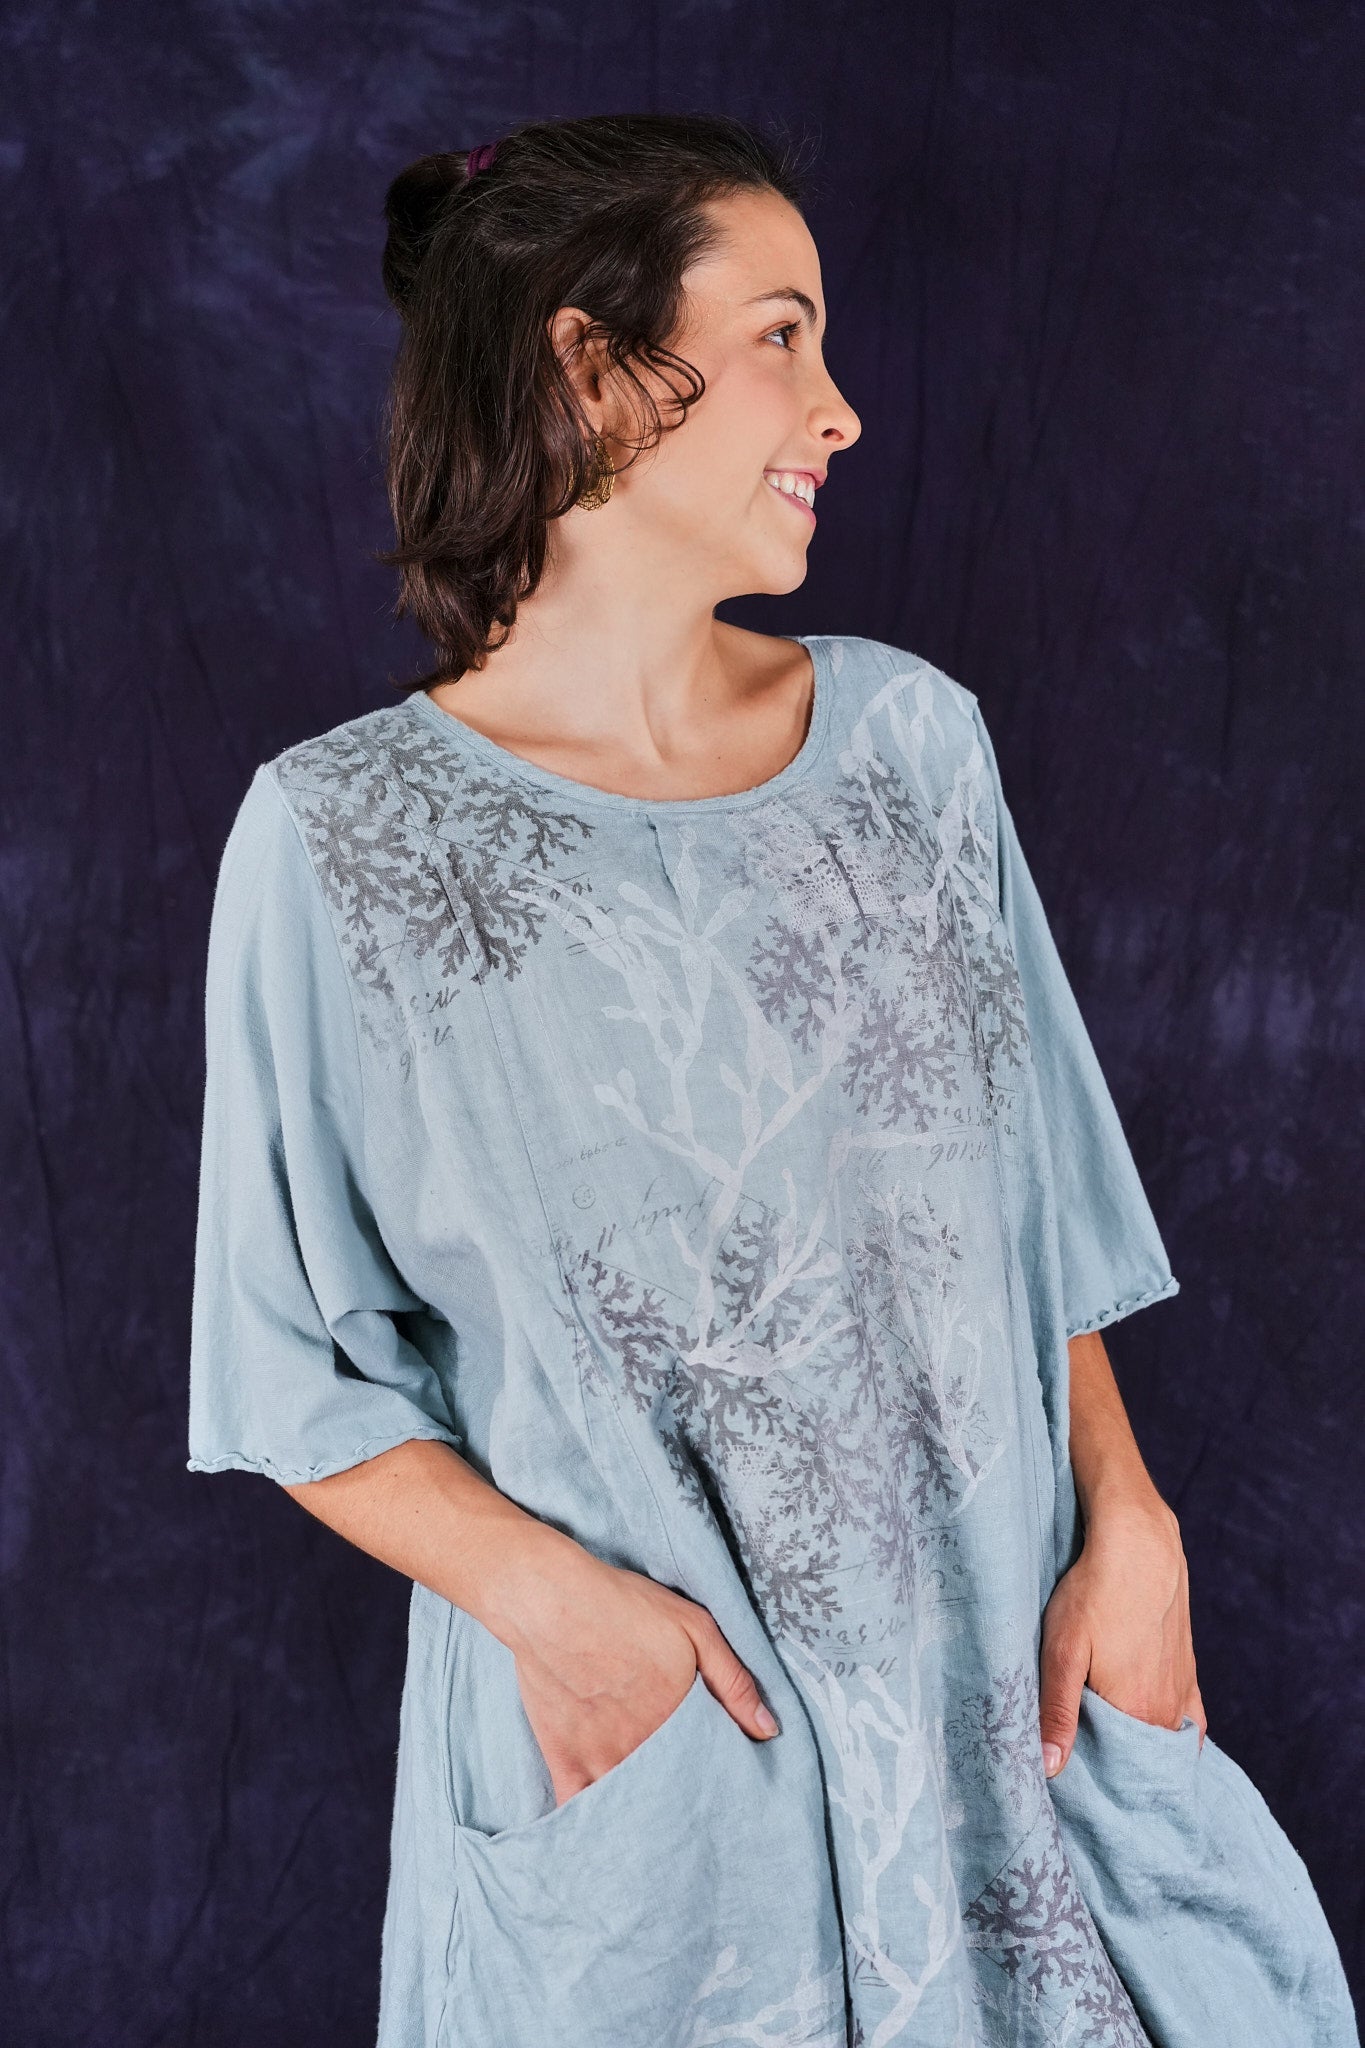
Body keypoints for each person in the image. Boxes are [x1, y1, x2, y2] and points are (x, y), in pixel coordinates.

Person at [187, 113, 1356, 2048]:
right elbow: (287, 1368)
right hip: (673, 1777)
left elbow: (1034, 1218)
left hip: (1011, 1722)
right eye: (781, 337)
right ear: (587, 365)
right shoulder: (343, 841)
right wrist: (565, 1620)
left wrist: (1131, 1519)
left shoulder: (910, 746)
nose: (840, 411)